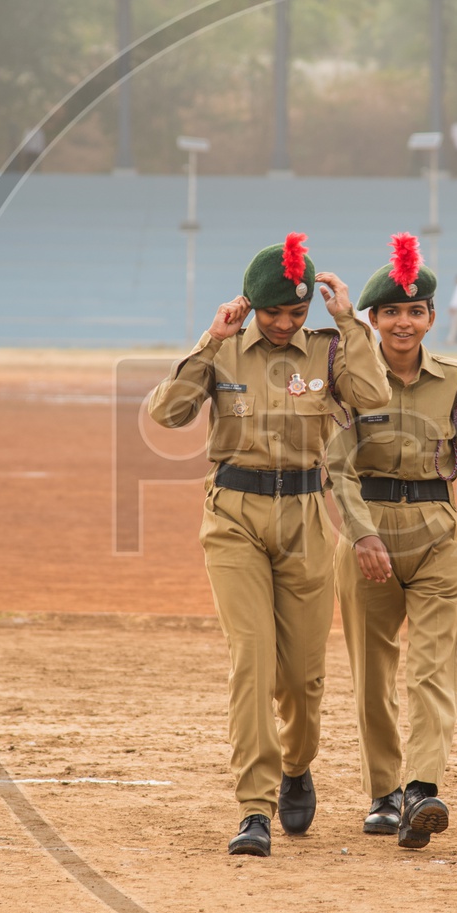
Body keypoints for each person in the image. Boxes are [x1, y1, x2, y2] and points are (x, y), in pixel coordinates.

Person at [146, 233, 390, 857]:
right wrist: (211, 340)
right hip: (233, 516)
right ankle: (253, 808)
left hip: (305, 517)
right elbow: (165, 414)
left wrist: (349, 324)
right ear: (252, 304)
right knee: (252, 661)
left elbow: (376, 398)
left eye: (296, 313)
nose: (284, 324)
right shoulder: (226, 350)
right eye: (274, 311)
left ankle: (296, 764)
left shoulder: (329, 349)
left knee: (303, 679)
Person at [327, 233, 457, 850]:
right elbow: (335, 466)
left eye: (416, 311)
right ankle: (382, 794)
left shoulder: (455, 383)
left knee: (432, 668)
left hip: (436, 535)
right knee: (373, 671)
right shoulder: (347, 382)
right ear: (373, 319)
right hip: (366, 533)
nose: (404, 322)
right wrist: (361, 533)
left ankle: (421, 789)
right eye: (392, 312)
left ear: (430, 317)